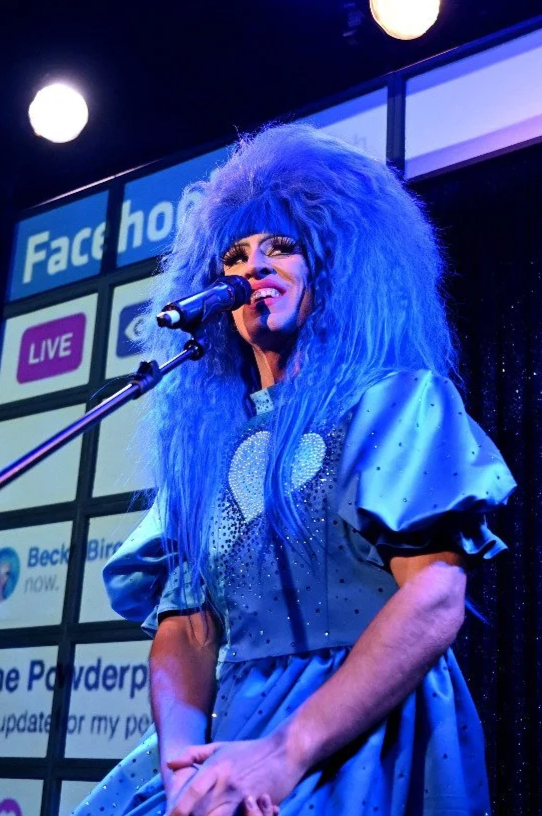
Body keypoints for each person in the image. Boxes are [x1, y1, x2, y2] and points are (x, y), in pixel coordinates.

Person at [74, 124, 516, 816]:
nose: (256, 266)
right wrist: (186, 770)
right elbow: (186, 631)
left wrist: (287, 752)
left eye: (282, 246)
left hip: (369, 737)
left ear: (332, 268)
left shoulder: (393, 402)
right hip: (232, 741)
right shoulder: (208, 447)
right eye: (237, 254)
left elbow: (434, 600)